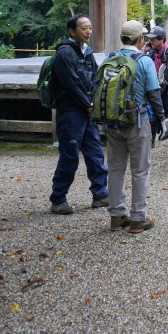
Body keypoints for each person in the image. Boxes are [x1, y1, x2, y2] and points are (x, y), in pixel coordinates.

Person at [106, 21, 164, 234]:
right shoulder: (144, 61)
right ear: (140, 40)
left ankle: (116, 216)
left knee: (115, 168)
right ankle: (138, 218)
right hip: (137, 121)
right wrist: (161, 119)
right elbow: (154, 93)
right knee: (140, 170)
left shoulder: (110, 58)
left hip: (113, 122)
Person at [49, 14, 108, 215]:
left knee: (95, 152)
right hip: (70, 112)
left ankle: (100, 194)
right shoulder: (65, 54)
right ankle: (58, 198)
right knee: (69, 156)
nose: (88, 31)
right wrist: (88, 103)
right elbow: (71, 83)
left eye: (90, 27)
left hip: (87, 111)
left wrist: (96, 102)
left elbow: (96, 77)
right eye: (84, 28)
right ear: (72, 31)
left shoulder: (87, 52)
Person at [145, 27, 168, 151]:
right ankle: (150, 144)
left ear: (161, 39)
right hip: (155, 89)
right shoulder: (150, 53)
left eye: (153, 39)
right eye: (150, 39)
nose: (151, 42)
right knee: (152, 117)